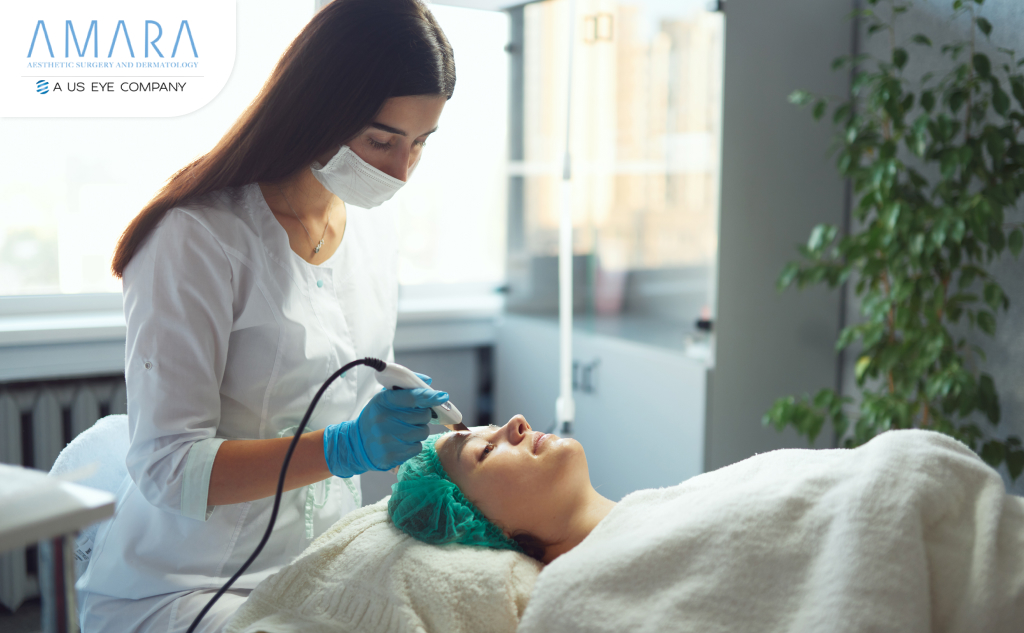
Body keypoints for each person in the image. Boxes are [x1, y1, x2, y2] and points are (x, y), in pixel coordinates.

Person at [76, 1, 456, 631]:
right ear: (317, 107)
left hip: (319, 563)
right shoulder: (196, 238)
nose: (400, 171)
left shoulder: (370, 234)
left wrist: (399, 406)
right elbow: (169, 468)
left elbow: (334, 370)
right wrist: (346, 447)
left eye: (420, 144)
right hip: (189, 583)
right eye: (381, 139)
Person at [389, 416, 1024, 632]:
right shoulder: (575, 600)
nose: (516, 425)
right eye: (485, 450)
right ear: (481, 527)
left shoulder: (672, 503)